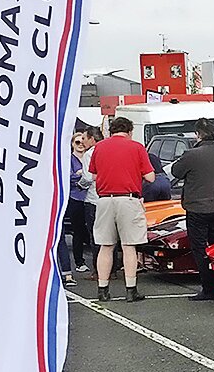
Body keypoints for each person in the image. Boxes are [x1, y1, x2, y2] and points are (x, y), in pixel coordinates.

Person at [88, 117, 153, 300]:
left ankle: (102, 289)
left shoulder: (99, 147)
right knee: (129, 246)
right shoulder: (136, 147)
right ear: (130, 131)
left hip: (104, 200)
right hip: (128, 199)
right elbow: (150, 177)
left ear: (111, 131)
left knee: (105, 246)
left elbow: (93, 176)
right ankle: (131, 290)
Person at [170, 120, 214, 300]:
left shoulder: (192, 154)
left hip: (197, 208)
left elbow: (176, 171)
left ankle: (208, 287)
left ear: (198, 134)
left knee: (200, 248)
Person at [66, 132, 95, 271]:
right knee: (77, 230)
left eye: (82, 141)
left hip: (92, 198)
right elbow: (68, 177)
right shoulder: (69, 159)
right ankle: (79, 262)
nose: (80, 145)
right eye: (77, 142)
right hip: (76, 197)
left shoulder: (90, 157)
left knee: (93, 231)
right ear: (72, 144)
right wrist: (78, 177)